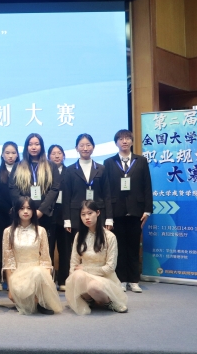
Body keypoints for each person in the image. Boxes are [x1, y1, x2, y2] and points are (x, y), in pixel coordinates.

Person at [103, 129, 152, 293]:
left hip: (136, 211)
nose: (124, 141)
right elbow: (106, 190)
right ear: (116, 142)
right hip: (116, 211)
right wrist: (108, 215)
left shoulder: (141, 161)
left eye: (127, 138)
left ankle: (134, 280)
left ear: (131, 141)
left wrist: (147, 209)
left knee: (133, 246)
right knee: (119, 247)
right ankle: (121, 279)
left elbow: (147, 185)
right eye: (121, 139)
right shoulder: (109, 162)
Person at [62, 134, 112, 292]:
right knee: (79, 249)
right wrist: (67, 219)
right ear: (76, 148)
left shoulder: (101, 169)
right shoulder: (70, 170)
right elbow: (66, 196)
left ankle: (98, 280)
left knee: (98, 247)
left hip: (98, 214)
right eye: (81, 145)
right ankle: (77, 281)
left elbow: (107, 194)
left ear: (93, 147)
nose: (85, 148)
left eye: (88, 145)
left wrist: (109, 218)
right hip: (76, 215)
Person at [65, 200, 128, 314]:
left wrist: (86, 269)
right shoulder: (79, 236)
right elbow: (74, 262)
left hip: (104, 277)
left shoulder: (109, 237)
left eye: (90, 213)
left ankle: (108, 302)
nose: (87, 217)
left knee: (93, 287)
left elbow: (110, 268)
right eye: (83, 214)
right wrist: (72, 281)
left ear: (98, 213)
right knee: (77, 276)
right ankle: (89, 300)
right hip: (84, 276)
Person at [2, 196, 62, 315]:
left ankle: (39, 300)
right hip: (19, 274)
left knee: (38, 272)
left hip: (38, 272)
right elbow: (8, 262)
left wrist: (46, 283)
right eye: (22, 208)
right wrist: (10, 288)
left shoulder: (41, 231)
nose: (25, 211)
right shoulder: (8, 232)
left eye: (29, 208)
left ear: (34, 211)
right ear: (16, 210)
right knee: (19, 294)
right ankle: (32, 301)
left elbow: (45, 260)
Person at [9, 133, 60, 252]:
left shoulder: (51, 166)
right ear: (26, 147)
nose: (33, 147)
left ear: (41, 146)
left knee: (45, 249)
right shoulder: (18, 166)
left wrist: (41, 210)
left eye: (37, 144)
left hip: (45, 215)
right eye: (30, 144)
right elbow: (13, 188)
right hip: (24, 215)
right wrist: (25, 208)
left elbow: (54, 189)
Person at [0, 141, 20, 290]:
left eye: (13, 153)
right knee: (2, 244)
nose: (10, 156)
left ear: (17, 155)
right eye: (7, 153)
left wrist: (17, 208)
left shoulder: (23, 170)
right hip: (2, 213)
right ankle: (1, 277)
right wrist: (7, 209)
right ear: (2, 155)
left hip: (20, 213)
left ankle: (17, 277)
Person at [47, 144, 68, 291]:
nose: (56, 156)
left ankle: (63, 280)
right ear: (48, 156)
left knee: (65, 249)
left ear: (64, 156)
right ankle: (49, 280)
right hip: (49, 215)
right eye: (53, 153)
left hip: (65, 215)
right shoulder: (45, 172)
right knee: (47, 249)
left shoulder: (70, 171)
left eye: (59, 153)